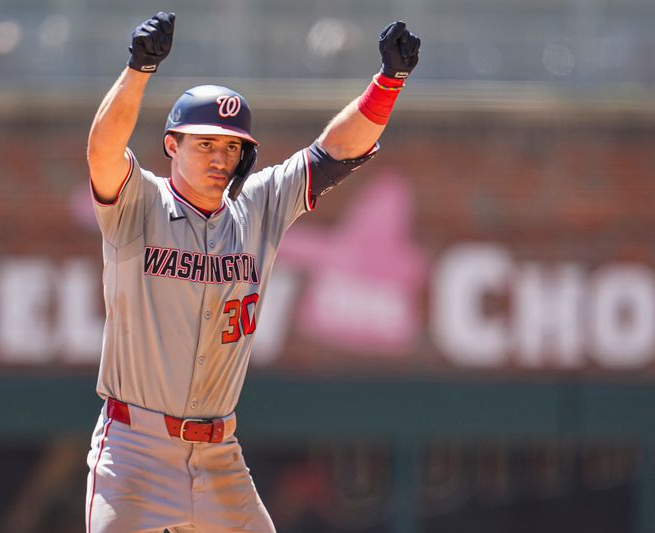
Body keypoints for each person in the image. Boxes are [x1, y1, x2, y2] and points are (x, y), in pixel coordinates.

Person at [84, 10, 420, 533]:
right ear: (172, 144)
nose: (221, 157)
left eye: (232, 147)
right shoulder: (140, 205)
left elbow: (334, 154)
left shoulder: (258, 205)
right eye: (206, 143)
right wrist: (138, 71)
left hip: (219, 453)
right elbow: (103, 150)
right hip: (134, 450)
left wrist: (387, 84)